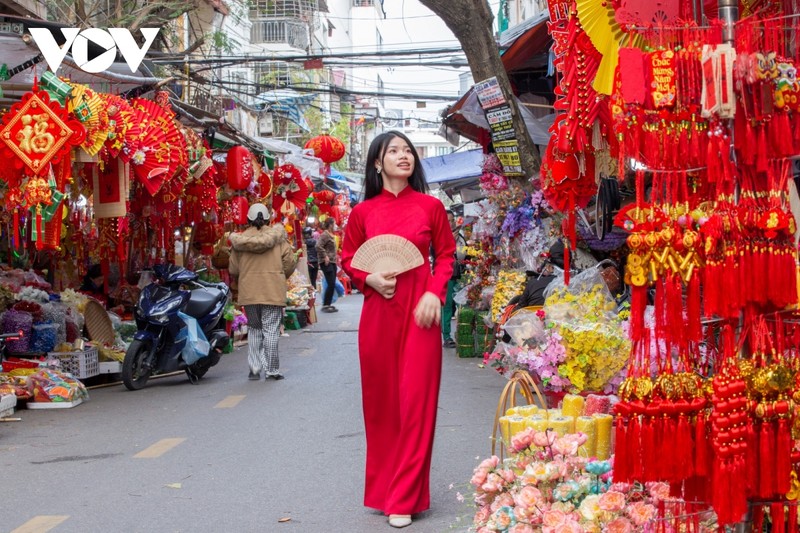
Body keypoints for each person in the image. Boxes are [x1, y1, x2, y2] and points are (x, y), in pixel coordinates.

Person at [341, 131, 455, 529]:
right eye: (394, 151)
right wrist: (368, 279)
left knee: (416, 405)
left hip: (420, 316)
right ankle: (385, 490)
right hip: (378, 317)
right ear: (377, 162)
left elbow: (446, 256)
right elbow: (348, 259)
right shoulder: (362, 213)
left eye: (408, 151)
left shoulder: (430, 207)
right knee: (383, 408)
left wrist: (434, 295)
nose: (404, 156)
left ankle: (404, 497)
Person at [228, 203, 297, 381]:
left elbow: (234, 269)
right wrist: (279, 275)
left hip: (249, 291)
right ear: (267, 219)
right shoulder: (279, 239)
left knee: (254, 328)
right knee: (271, 331)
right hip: (272, 290)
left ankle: (254, 368)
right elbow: (289, 264)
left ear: (248, 220)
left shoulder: (239, 241)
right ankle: (272, 369)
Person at [441, 210, 463, 348]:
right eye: (446, 220)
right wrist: (450, 242)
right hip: (446, 276)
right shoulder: (438, 236)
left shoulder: (460, 236)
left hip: (460, 275)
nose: (449, 223)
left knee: (462, 306)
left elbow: (465, 255)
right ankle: (447, 336)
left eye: (451, 220)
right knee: (447, 306)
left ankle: (461, 334)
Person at [316, 217, 339, 313]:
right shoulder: (325, 234)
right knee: (331, 283)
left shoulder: (331, 235)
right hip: (326, 262)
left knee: (332, 283)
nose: (335, 225)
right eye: (334, 223)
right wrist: (325, 256)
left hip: (333, 262)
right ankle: (326, 304)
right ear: (330, 225)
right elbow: (318, 246)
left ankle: (328, 304)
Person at [303, 226, 319, 291]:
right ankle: (314, 294)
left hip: (308, 263)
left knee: (308, 280)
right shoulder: (315, 242)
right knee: (313, 280)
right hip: (315, 262)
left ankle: (310, 295)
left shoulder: (303, 243)